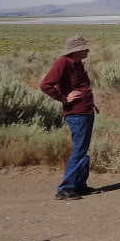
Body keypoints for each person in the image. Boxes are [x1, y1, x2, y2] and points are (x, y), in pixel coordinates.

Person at [40, 36, 100, 200]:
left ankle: (80, 186)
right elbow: (45, 85)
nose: (88, 50)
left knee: (83, 150)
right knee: (79, 150)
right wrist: (64, 98)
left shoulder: (77, 64)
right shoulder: (62, 63)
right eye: (84, 48)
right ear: (76, 50)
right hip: (76, 114)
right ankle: (65, 189)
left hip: (86, 111)